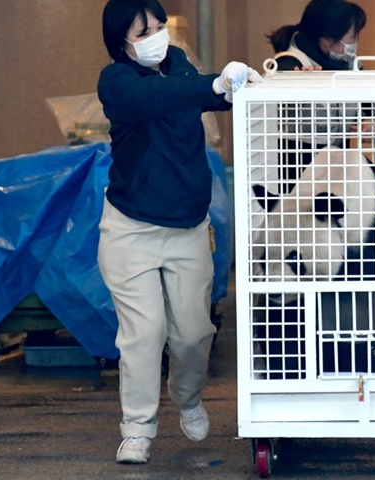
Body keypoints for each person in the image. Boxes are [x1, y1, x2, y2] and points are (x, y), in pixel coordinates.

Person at [97, 0, 260, 464]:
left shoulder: (182, 68)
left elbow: (201, 93)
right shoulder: (117, 82)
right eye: (141, 30)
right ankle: (138, 429)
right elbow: (159, 98)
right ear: (120, 41)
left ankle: (187, 397)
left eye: (157, 26)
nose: (154, 35)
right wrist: (209, 84)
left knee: (193, 333)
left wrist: (235, 86)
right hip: (131, 231)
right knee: (142, 333)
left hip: (188, 228)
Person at [262, 0, 375, 194]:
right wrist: (301, 84)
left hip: (338, 161)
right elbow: (274, 99)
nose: (354, 45)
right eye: (351, 39)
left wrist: (369, 121)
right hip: (296, 167)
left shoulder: (350, 64)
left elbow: (373, 105)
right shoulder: (289, 64)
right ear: (327, 40)